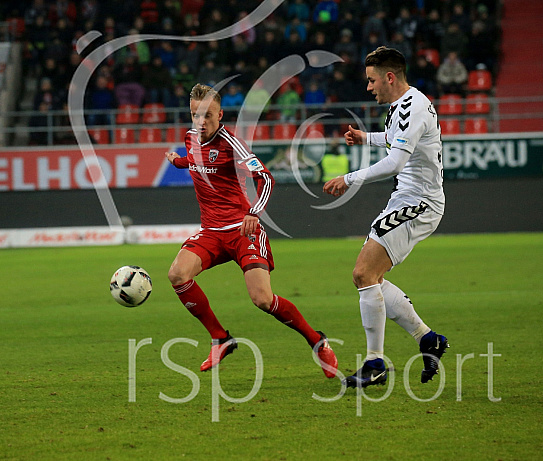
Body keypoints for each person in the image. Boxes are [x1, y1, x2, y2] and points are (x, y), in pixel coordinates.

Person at [165, 83, 338, 377]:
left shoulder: (232, 144)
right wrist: (178, 162)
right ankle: (220, 338)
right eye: (196, 115)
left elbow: (266, 178)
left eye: (207, 115)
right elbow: (195, 160)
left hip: (242, 230)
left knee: (262, 300)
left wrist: (254, 213)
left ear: (220, 114)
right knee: (177, 275)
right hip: (211, 232)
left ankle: (317, 341)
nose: (201, 122)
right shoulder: (190, 138)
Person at [323, 47, 448, 388]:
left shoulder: (413, 107)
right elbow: (397, 142)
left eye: (372, 80)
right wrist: (366, 137)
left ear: (389, 77)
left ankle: (375, 363)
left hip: (419, 202)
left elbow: (395, 163)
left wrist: (349, 178)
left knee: (364, 273)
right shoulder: (403, 105)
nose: (369, 87)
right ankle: (427, 339)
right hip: (405, 200)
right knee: (369, 277)